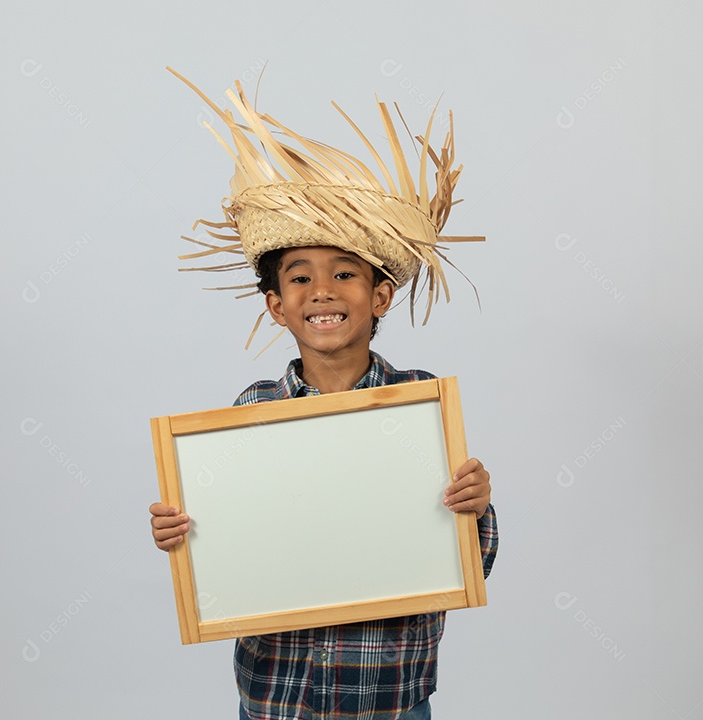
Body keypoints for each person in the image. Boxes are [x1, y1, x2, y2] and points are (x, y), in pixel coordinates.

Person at [150, 67, 498, 720]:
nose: (324, 291)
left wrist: (476, 507)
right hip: (282, 693)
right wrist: (183, 534)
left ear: (380, 296)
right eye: (301, 277)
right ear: (278, 305)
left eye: (345, 273)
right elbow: (227, 537)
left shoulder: (418, 406)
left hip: (389, 695)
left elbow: (471, 556)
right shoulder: (252, 412)